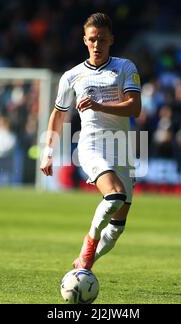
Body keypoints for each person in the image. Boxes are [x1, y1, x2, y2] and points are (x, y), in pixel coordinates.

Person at [40, 13, 141, 270]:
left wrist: (98, 104)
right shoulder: (71, 76)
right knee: (115, 195)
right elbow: (59, 113)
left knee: (118, 227)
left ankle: (83, 266)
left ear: (112, 40)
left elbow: (135, 107)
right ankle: (88, 246)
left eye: (103, 40)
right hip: (91, 146)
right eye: (93, 39)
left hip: (122, 149)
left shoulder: (125, 68)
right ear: (85, 40)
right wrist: (48, 150)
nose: (98, 45)